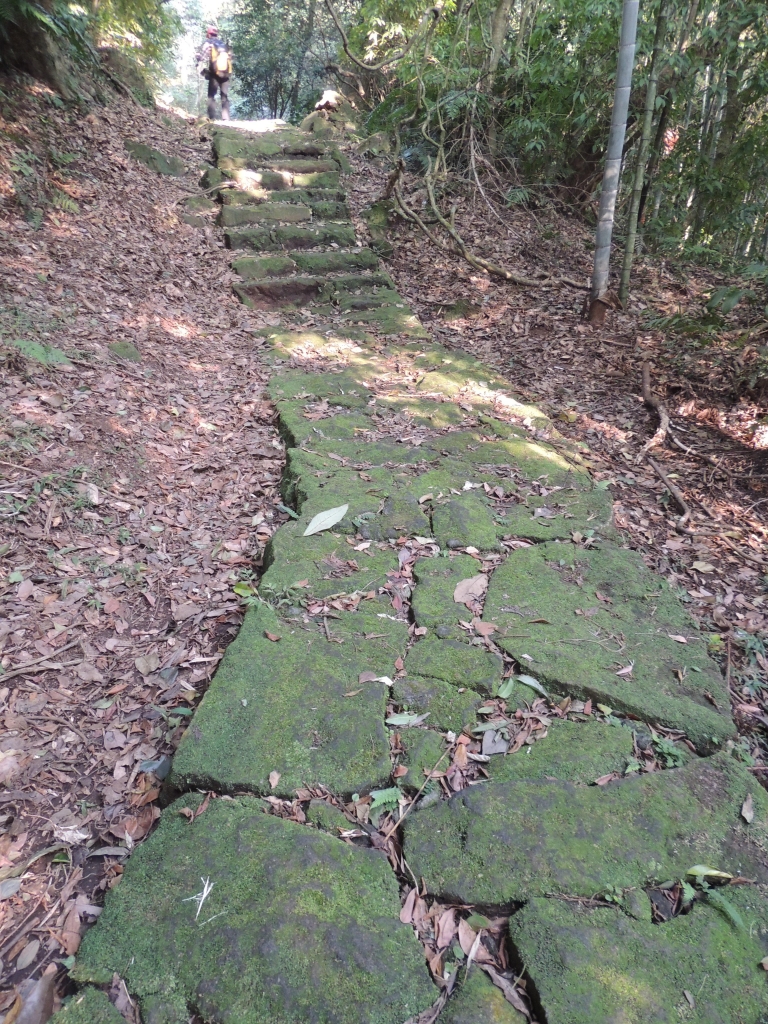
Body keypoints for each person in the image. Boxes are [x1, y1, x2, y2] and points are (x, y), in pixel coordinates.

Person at [197, 25, 232, 121]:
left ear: (208, 34)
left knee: (211, 96)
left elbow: (202, 57)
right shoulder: (223, 44)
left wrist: (198, 57)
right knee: (224, 96)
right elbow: (230, 57)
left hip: (214, 74)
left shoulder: (208, 44)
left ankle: (212, 118)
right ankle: (226, 118)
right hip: (225, 74)